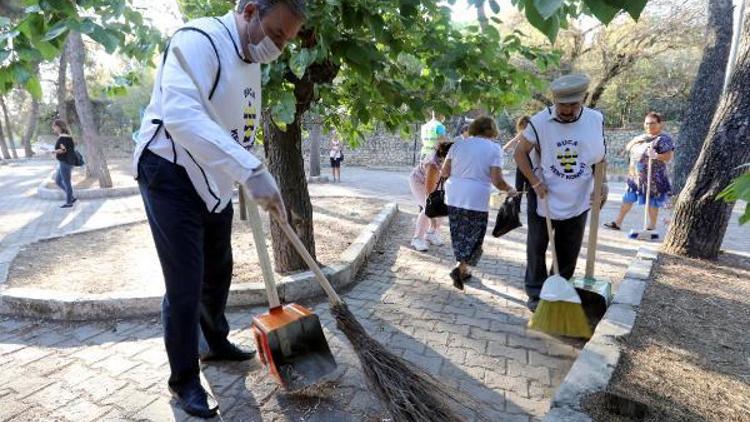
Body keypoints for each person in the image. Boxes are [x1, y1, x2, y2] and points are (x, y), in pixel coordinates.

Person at [131, 1, 305, 418]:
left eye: (287, 41)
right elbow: (181, 115)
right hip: (168, 170)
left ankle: (214, 343)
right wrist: (249, 170)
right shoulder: (198, 40)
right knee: (185, 282)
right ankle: (184, 380)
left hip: (214, 176)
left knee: (219, 268)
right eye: (277, 34)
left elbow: (238, 128)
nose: (279, 48)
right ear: (249, 11)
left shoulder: (250, 62)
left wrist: (253, 172)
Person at [513, 74, 607, 312]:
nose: (567, 110)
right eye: (562, 104)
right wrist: (534, 182)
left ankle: (559, 290)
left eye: (573, 105)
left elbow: (599, 157)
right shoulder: (539, 122)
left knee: (569, 247)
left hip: (579, 195)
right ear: (554, 100)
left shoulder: (595, 120)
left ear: (583, 99)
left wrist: (601, 184)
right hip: (544, 192)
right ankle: (535, 292)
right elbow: (519, 153)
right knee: (537, 245)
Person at [442, 116, 516, 290]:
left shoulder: (458, 144)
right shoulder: (494, 149)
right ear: (492, 130)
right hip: (476, 198)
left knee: (459, 233)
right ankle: (460, 269)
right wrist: (510, 189)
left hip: (454, 195)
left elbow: (445, 171)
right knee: (475, 237)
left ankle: (464, 270)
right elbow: (497, 180)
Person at [604, 112, 674, 232]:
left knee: (652, 202)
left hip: (653, 178)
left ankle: (651, 227)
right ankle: (617, 222)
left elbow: (668, 157)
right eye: (647, 123)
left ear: (660, 124)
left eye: (652, 123)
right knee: (627, 198)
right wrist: (635, 140)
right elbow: (627, 148)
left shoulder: (663, 139)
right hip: (635, 177)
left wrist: (656, 155)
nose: (649, 126)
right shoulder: (642, 138)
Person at [409, 140, 453, 251]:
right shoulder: (433, 165)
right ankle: (417, 239)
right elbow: (429, 192)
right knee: (428, 207)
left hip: (436, 181)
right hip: (418, 181)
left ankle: (432, 234)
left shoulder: (451, 162)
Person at [51, 119, 77, 208]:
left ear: (58, 127)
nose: (53, 128)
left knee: (67, 182)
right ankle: (72, 198)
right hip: (65, 162)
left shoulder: (63, 137)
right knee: (58, 181)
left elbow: (63, 150)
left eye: (54, 126)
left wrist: (53, 151)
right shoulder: (65, 137)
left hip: (65, 162)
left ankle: (69, 202)